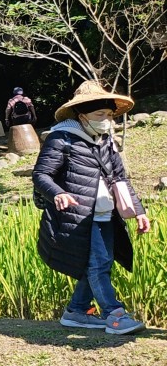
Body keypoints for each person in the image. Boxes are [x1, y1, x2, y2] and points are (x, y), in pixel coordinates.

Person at [34, 81, 151, 335]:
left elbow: (120, 178)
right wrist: (58, 193)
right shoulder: (61, 138)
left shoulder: (106, 141)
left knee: (100, 263)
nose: (106, 120)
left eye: (109, 115)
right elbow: (41, 175)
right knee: (99, 265)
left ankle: (76, 311)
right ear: (81, 115)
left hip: (106, 214)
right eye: (100, 115)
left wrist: (139, 211)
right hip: (78, 217)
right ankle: (114, 315)